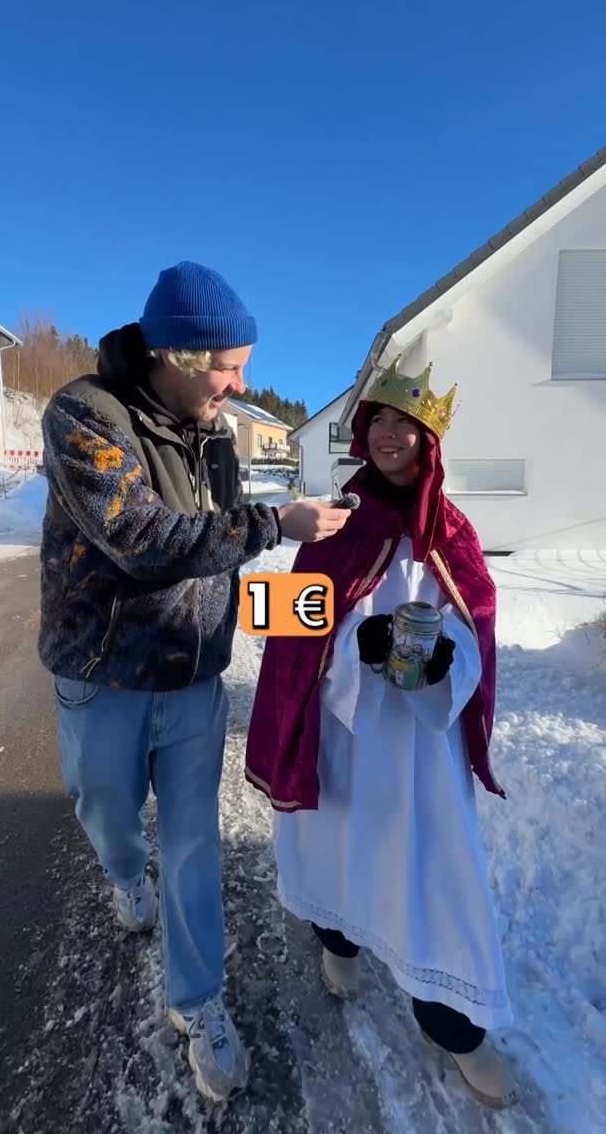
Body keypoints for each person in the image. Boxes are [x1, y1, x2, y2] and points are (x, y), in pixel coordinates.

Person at [38, 261, 350, 1102]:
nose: (240, 384)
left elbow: (213, 550)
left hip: (191, 680)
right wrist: (275, 524)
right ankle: (121, 872)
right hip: (102, 673)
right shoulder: (82, 415)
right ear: (177, 356)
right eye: (229, 367)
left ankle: (198, 999)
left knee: (193, 844)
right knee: (106, 813)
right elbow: (143, 538)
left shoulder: (215, 436)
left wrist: (301, 620)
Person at [245, 356, 519, 1110]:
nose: (391, 435)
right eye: (380, 422)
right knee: (335, 843)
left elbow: (478, 626)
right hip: (342, 728)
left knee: (434, 875)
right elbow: (282, 620)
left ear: (430, 441)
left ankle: (455, 1026)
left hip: (420, 747)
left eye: (407, 424)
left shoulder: (453, 532)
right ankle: (338, 942)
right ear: (363, 433)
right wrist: (346, 645)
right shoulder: (336, 520)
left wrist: (443, 658)